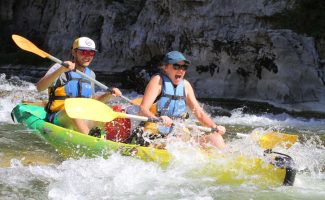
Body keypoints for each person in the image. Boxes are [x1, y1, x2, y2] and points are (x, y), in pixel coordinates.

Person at [139, 51, 226, 149]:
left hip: (178, 134)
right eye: (176, 66)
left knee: (216, 138)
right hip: (155, 133)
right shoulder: (158, 81)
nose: (180, 70)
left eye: (184, 67)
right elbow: (143, 110)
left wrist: (215, 127)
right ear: (166, 68)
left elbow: (199, 113)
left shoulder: (185, 85)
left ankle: (229, 160)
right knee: (175, 143)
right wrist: (158, 119)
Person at [36, 36, 122, 135]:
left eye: (91, 53)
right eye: (83, 52)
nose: (87, 56)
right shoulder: (60, 67)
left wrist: (109, 95)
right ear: (74, 52)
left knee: (115, 111)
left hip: (82, 116)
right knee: (73, 110)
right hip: (58, 116)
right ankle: (91, 139)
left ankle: (120, 141)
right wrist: (61, 70)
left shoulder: (91, 74)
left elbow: (92, 101)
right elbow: (39, 87)